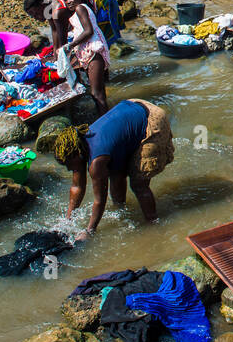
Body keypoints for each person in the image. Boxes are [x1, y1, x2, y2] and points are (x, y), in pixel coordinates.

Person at [53, 99, 173, 241]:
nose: (68, 168)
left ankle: (154, 225)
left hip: (151, 119)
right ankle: (121, 208)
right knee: (116, 175)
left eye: (69, 164)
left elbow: (99, 200)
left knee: (138, 184)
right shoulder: (79, 143)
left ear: (77, 155)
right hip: (132, 107)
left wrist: (89, 231)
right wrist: (67, 222)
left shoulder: (96, 161)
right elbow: (77, 186)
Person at [60, 0, 111, 113]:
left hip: (93, 52)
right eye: (66, 0)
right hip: (94, 52)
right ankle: (106, 116)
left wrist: (70, 45)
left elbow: (88, 31)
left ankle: (104, 121)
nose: (68, 2)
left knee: (96, 93)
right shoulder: (84, 9)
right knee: (99, 92)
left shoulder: (80, 8)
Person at [24, 0, 123, 49]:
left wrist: (63, 53)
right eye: (33, 16)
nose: (36, 17)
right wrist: (55, 51)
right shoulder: (47, 4)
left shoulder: (58, 12)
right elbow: (54, 30)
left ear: (42, 5)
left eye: (36, 13)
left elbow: (63, 39)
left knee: (103, 36)